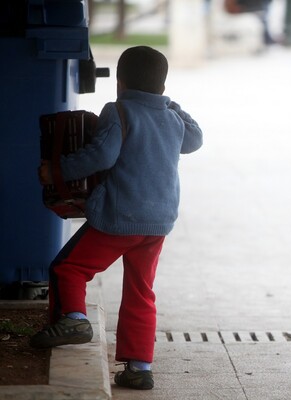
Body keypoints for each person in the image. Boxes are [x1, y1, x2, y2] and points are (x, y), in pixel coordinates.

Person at [30, 46, 203, 391]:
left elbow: (101, 155)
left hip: (119, 217)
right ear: (163, 87)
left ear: (120, 83)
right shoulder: (171, 116)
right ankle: (139, 367)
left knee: (69, 267)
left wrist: (57, 172)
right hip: (157, 223)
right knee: (141, 290)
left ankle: (74, 319)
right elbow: (195, 139)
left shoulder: (119, 110)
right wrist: (170, 104)